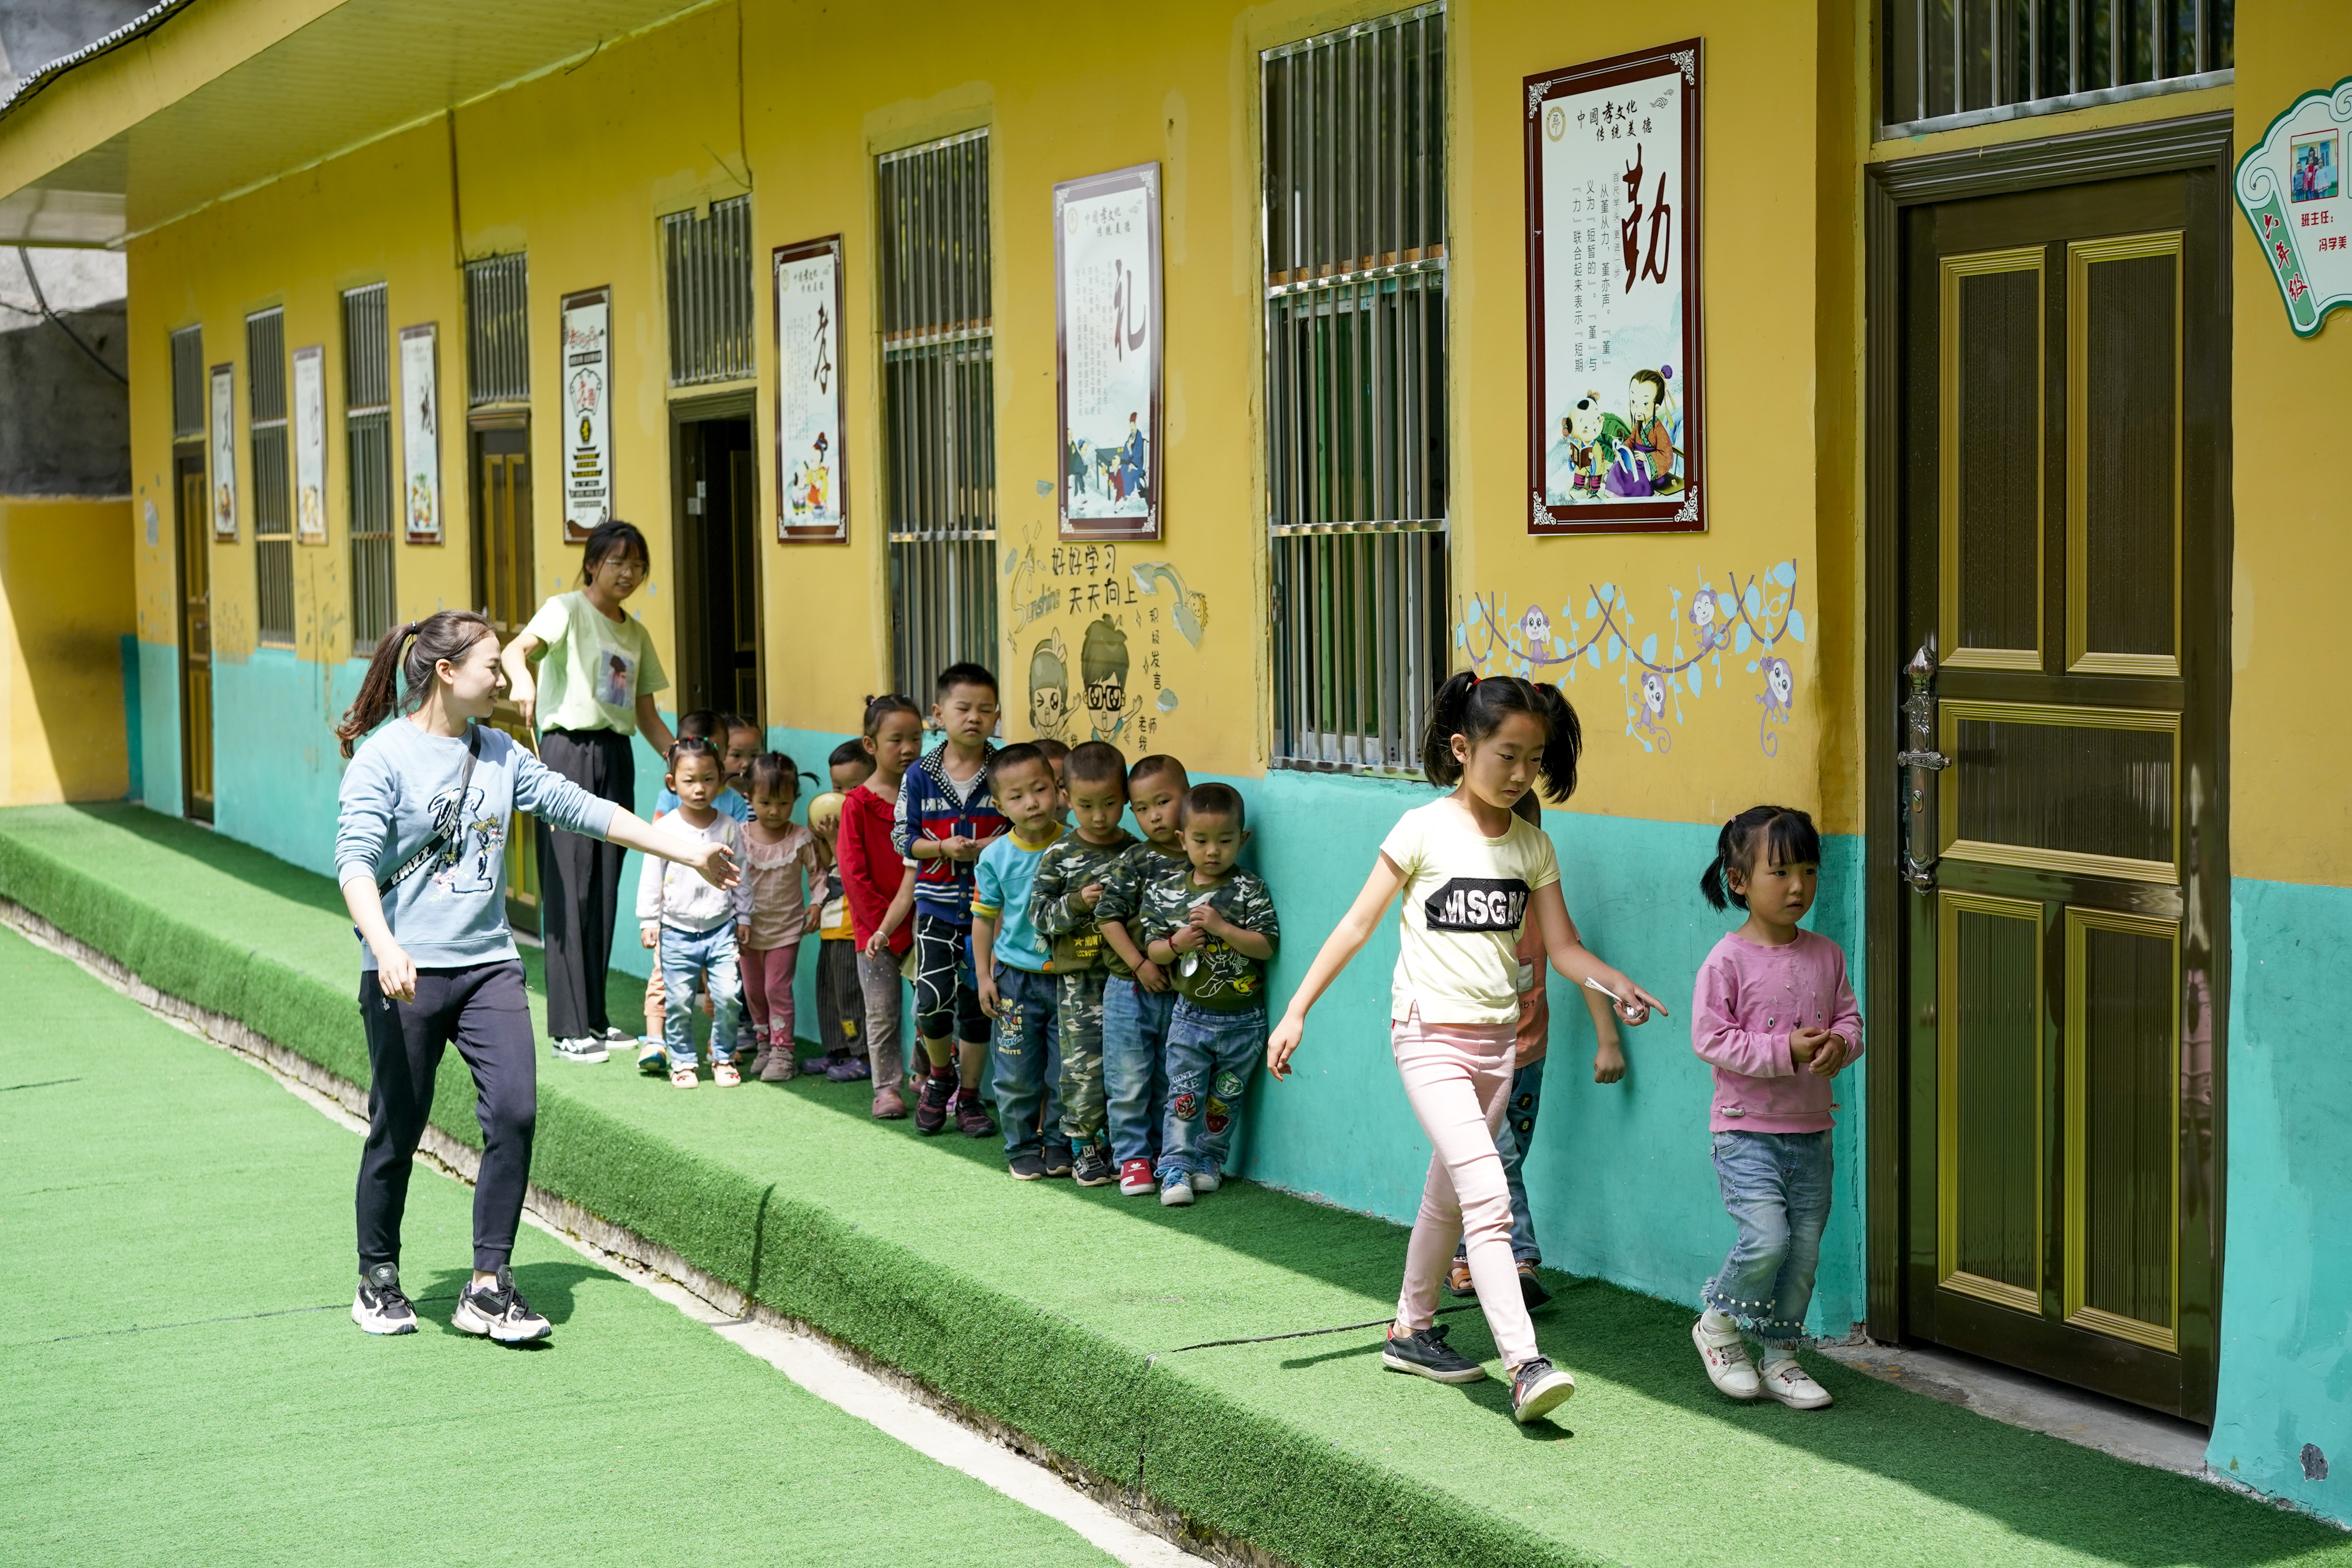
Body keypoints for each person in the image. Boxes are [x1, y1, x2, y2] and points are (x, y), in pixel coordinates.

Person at [1266, 673, 1667, 1426]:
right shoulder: (1421, 830)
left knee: (1446, 1195)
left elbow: (1564, 947)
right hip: (1427, 1037)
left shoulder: (1533, 846)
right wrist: (1296, 1010)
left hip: (1497, 1046)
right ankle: (1525, 1365)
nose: (1520, 774)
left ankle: (1410, 1331)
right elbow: (1356, 925)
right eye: (1506, 756)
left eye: (1533, 760)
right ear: (1462, 748)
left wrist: (1616, 985)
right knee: (1487, 1197)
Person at [335, 611, 733, 1341]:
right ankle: (378, 1274)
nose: (505, 678)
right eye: (493, 665)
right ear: (447, 672)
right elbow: (355, 863)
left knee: (515, 1112)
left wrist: (685, 850)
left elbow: (580, 808)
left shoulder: (500, 752)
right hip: (406, 972)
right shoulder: (383, 758)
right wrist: (384, 946)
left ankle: (488, 1284)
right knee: (399, 1125)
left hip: (488, 965)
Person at [1688, 804, 1862, 1412]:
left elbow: (1850, 1020)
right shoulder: (1726, 961)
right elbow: (1710, 1039)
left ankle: (1781, 1358)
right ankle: (1717, 1326)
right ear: (1738, 881)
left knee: (1803, 1252)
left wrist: (1840, 1045)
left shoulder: (1826, 955)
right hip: (1745, 1133)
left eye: (1809, 871)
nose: (1798, 887)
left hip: (1813, 1132)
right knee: (1767, 1240)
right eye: (1781, 872)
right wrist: (1784, 1049)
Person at [499, 520, 679, 1064]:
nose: (629, 573)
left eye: (638, 565)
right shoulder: (566, 609)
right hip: (567, 752)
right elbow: (517, 650)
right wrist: (522, 678)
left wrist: (681, 758)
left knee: (602, 889)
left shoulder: (636, 633)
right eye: (618, 562)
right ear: (593, 564)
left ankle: (595, 1018)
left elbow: (646, 715)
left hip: (615, 756)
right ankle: (567, 1028)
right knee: (569, 890)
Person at [1448, 790, 1626, 1309]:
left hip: (1528, 1059)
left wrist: (1609, 1039)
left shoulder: (1541, 909)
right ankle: (1518, 1258)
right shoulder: (1464, 906)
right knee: (1497, 1160)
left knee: (1503, 1161)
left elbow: (1578, 963)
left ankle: (1464, 1254)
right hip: (1473, 1061)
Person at [1138, 784, 1278, 1207]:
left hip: (1244, 1020)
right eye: (1201, 840)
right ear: (1183, 839)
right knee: (1183, 1096)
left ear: (1243, 839)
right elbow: (1153, 949)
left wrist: (1222, 928)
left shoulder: (1250, 888)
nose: (1213, 851)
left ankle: (1209, 1161)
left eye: (1225, 840)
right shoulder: (1166, 891)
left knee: (1224, 1100)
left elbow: (1266, 947)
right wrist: (1176, 943)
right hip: (1190, 1016)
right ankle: (1174, 1167)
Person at [893, 663, 1007, 1139]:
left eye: (985, 709)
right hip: (935, 908)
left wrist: (988, 848)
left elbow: (1024, 828)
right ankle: (941, 1077)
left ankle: (972, 1095)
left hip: (991, 912)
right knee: (931, 1001)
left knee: (980, 1004)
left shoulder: (1004, 769)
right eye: (963, 708)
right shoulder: (920, 774)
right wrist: (942, 847)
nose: (974, 717)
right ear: (939, 715)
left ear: (997, 716)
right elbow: (903, 837)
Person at [1029, 740, 1137, 1186]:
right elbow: (1038, 916)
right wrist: (1076, 902)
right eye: (1086, 805)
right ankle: (1083, 1146)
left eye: (1109, 803)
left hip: (1126, 977)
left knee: (1127, 1064)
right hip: (1079, 981)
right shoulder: (1059, 854)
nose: (1098, 816)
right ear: (1066, 797)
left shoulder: (1136, 851)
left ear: (1125, 796)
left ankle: (1123, 1145)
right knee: (1082, 1066)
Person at [971, 744, 1067, 1179]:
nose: (1032, 803)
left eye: (1040, 789)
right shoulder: (994, 857)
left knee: (1067, 1071)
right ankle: (1022, 1147)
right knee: (1015, 1072)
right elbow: (983, 919)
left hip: (1070, 980)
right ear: (1000, 805)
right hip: (1015, 982)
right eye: (1017, 796)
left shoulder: (1074, 845)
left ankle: (1060, 1143)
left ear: (1057, 789)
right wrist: (984, 975)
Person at [1095, 754, 1189, 1195]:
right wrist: (1140, 964)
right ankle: (1131, 1157)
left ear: (1187, 795)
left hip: (1183, 991)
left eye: (1164, 801)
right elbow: (1107, 917)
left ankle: (1165, 1154)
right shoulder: (1136, 859)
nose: (1154, 815)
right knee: (1129, 1078)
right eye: (1142, 808)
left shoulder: (1202, 855)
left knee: (1171, 1077)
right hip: (1129, 987)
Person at [637, 738, 752, 1088]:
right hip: (676, 931)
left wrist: (745, 916)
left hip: (721, 928)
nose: (699, 788)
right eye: (689, 781)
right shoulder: (665, 830)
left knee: (728, 997)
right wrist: (648, 920)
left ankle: (723, 1057)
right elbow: (651, 874)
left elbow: (742, 874)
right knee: (679, 1002)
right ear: (672, 783)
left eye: (708, 779)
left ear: (721, 778)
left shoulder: (729, 826)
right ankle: (683, 1062)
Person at [842, 694, 924, 1119]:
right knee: (882, 1012)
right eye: (897, 740)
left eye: (916, 738)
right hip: (875, 930)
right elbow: (853, 875)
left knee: (930, 1005)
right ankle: (887, 1087)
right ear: (871, 745)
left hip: (927, 920)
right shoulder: (857, 804)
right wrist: (886, 927)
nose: (908, 748)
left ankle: (926, 1075)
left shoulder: (927, 794)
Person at [737, 753, 823, 1082]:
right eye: (766, 803)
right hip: (748, 930)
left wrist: (817, 904)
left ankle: (784, 1052)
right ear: (749, 798)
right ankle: (764, 1045)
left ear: (795, 799)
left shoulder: (800, 838)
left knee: (776, 988)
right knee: (753, 990)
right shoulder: (740, 836)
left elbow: (818, 874)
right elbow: (729, 879)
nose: (774, 811)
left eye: (784, 803)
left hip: (786, 930)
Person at [803, 789, 867, 1084]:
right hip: (831, 928)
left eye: (851, 785)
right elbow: (829, 864)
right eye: (838, 786)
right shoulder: (835, 834)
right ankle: (837, 1049)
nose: (843, 794)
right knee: (829, 994)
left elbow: (847, 866)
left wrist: (833, 838)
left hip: (849, 931)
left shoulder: (861, 830)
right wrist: (821, 838)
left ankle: (862, 1055)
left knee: (850, 994)